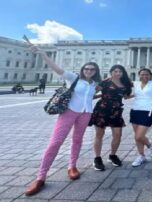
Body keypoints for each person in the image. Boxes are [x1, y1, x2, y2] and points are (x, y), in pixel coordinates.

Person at [24, 44, 101, 196]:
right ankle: (41, 176)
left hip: (85, 114)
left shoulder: (94, 84)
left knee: (77, 140)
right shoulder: (73, 78)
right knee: (56, 142)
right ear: (82, 69)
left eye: (92, 69)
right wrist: (43, 54)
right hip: (69, 112)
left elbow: (88, 97)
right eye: (87, 68)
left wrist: (101, 95)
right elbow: (57, 69)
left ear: (95, 71)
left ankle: (72, 166)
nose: (89, 71)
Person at [90, 65, 133, 171]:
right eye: (116, 71)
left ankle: (112, 155)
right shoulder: (105, 82)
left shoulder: (126, 84)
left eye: (120, 71)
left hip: (116, 111)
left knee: (118, 135)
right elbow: (91, 94)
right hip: (102, 110)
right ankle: (97, 158)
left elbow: (126, 97)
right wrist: (101, 96)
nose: (118, 73)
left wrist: (139, 95)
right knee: (99, 134)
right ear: (111, 72)